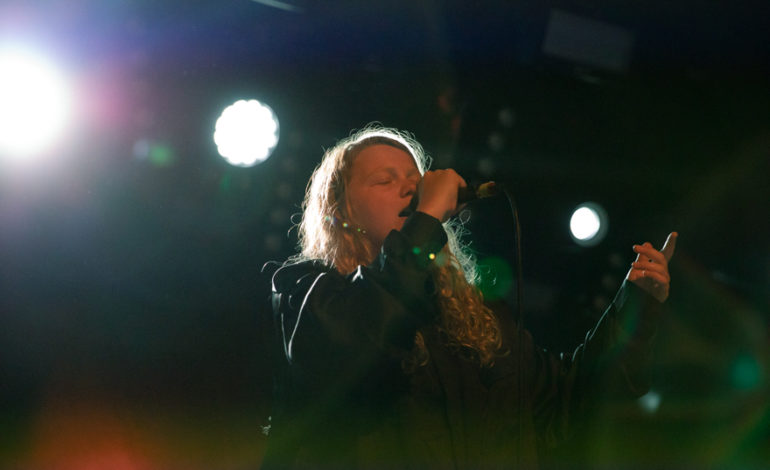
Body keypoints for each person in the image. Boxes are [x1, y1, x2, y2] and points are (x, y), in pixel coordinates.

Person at [260, 124, 678, 469]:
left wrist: (636, 304)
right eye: (386, 181)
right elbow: (361, 337)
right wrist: (425, 219)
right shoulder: (311, 295)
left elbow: (572, 397)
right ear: (341, 212)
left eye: (415, 181)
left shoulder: (476, 320)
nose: (410, 190)